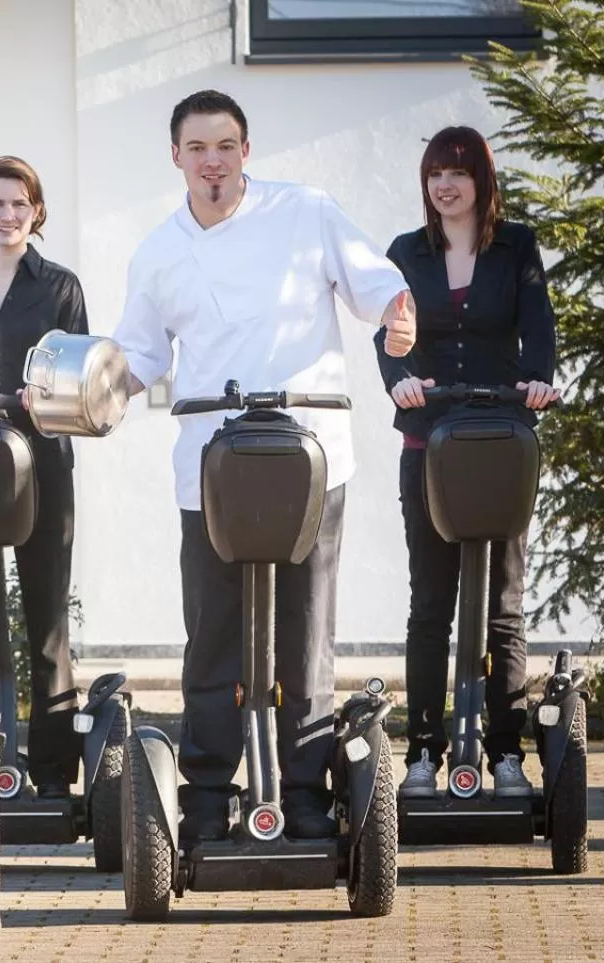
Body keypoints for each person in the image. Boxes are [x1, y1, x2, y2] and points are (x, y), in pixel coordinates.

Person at [109, 90, 418, 841]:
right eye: (197, 149)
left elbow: (374, 284)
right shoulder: (159, 251)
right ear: (175, 157)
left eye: (225, 146)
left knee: (306, 630)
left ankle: (306, 789)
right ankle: (209, 791)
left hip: (308, 458)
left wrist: (398, 313)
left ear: (246, 152)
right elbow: (141, 353)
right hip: (211, 470)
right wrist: (98, 383)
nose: (211, 161)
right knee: (213, 631)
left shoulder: (305, 212)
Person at [376, 125, 558, 800]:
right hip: (428, 444)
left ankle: (507, 753)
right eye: (434, 174)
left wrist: (538, 378)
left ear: (481, 180)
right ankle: (423, 751)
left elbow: (538, 324)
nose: (445, 185)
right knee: (431, 604)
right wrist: (397, 375)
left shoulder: (517, 248)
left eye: (457, 172)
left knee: (504, 608)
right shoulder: (406, 253)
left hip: (499, 444)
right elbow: (388, 330)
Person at [0, 156, 89, 799]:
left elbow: (79, 379)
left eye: (20, 204)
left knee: (46, 619)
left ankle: (54, 775)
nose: (8, 216)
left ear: (36, 211)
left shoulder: (59, 285)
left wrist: (44, 400)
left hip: (42, 468)